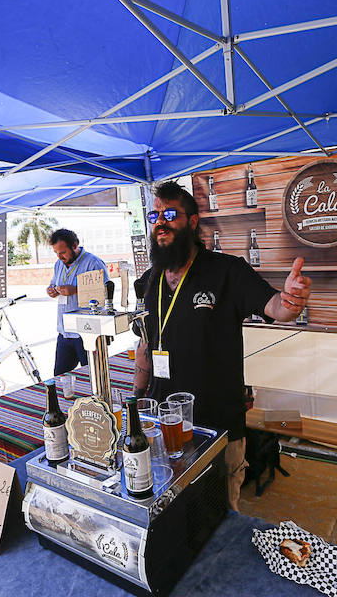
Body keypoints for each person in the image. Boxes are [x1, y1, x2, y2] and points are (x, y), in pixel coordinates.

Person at [133, 181, 310, 511]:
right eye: (154, 216)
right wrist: (136, 399)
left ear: (193, 221)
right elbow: (145, 342)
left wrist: (290, 301)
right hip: (165, 422)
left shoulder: (227, 271)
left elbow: (276, 307)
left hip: (217, 422)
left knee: (221, 513)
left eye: (170, 214)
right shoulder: (148, 281)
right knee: (171, 507)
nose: (160, 223)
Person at [46, 229, 109, 376]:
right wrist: (51, 290)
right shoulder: (58, 264)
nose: (60, 257)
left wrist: (75, 290)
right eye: (56, 253)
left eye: (63, 252)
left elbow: (105, 292)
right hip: (64, 332)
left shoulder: (93, 262)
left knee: (95, 376)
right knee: (60, 378)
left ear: (74, 245)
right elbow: (53, 283)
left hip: (88, 332)